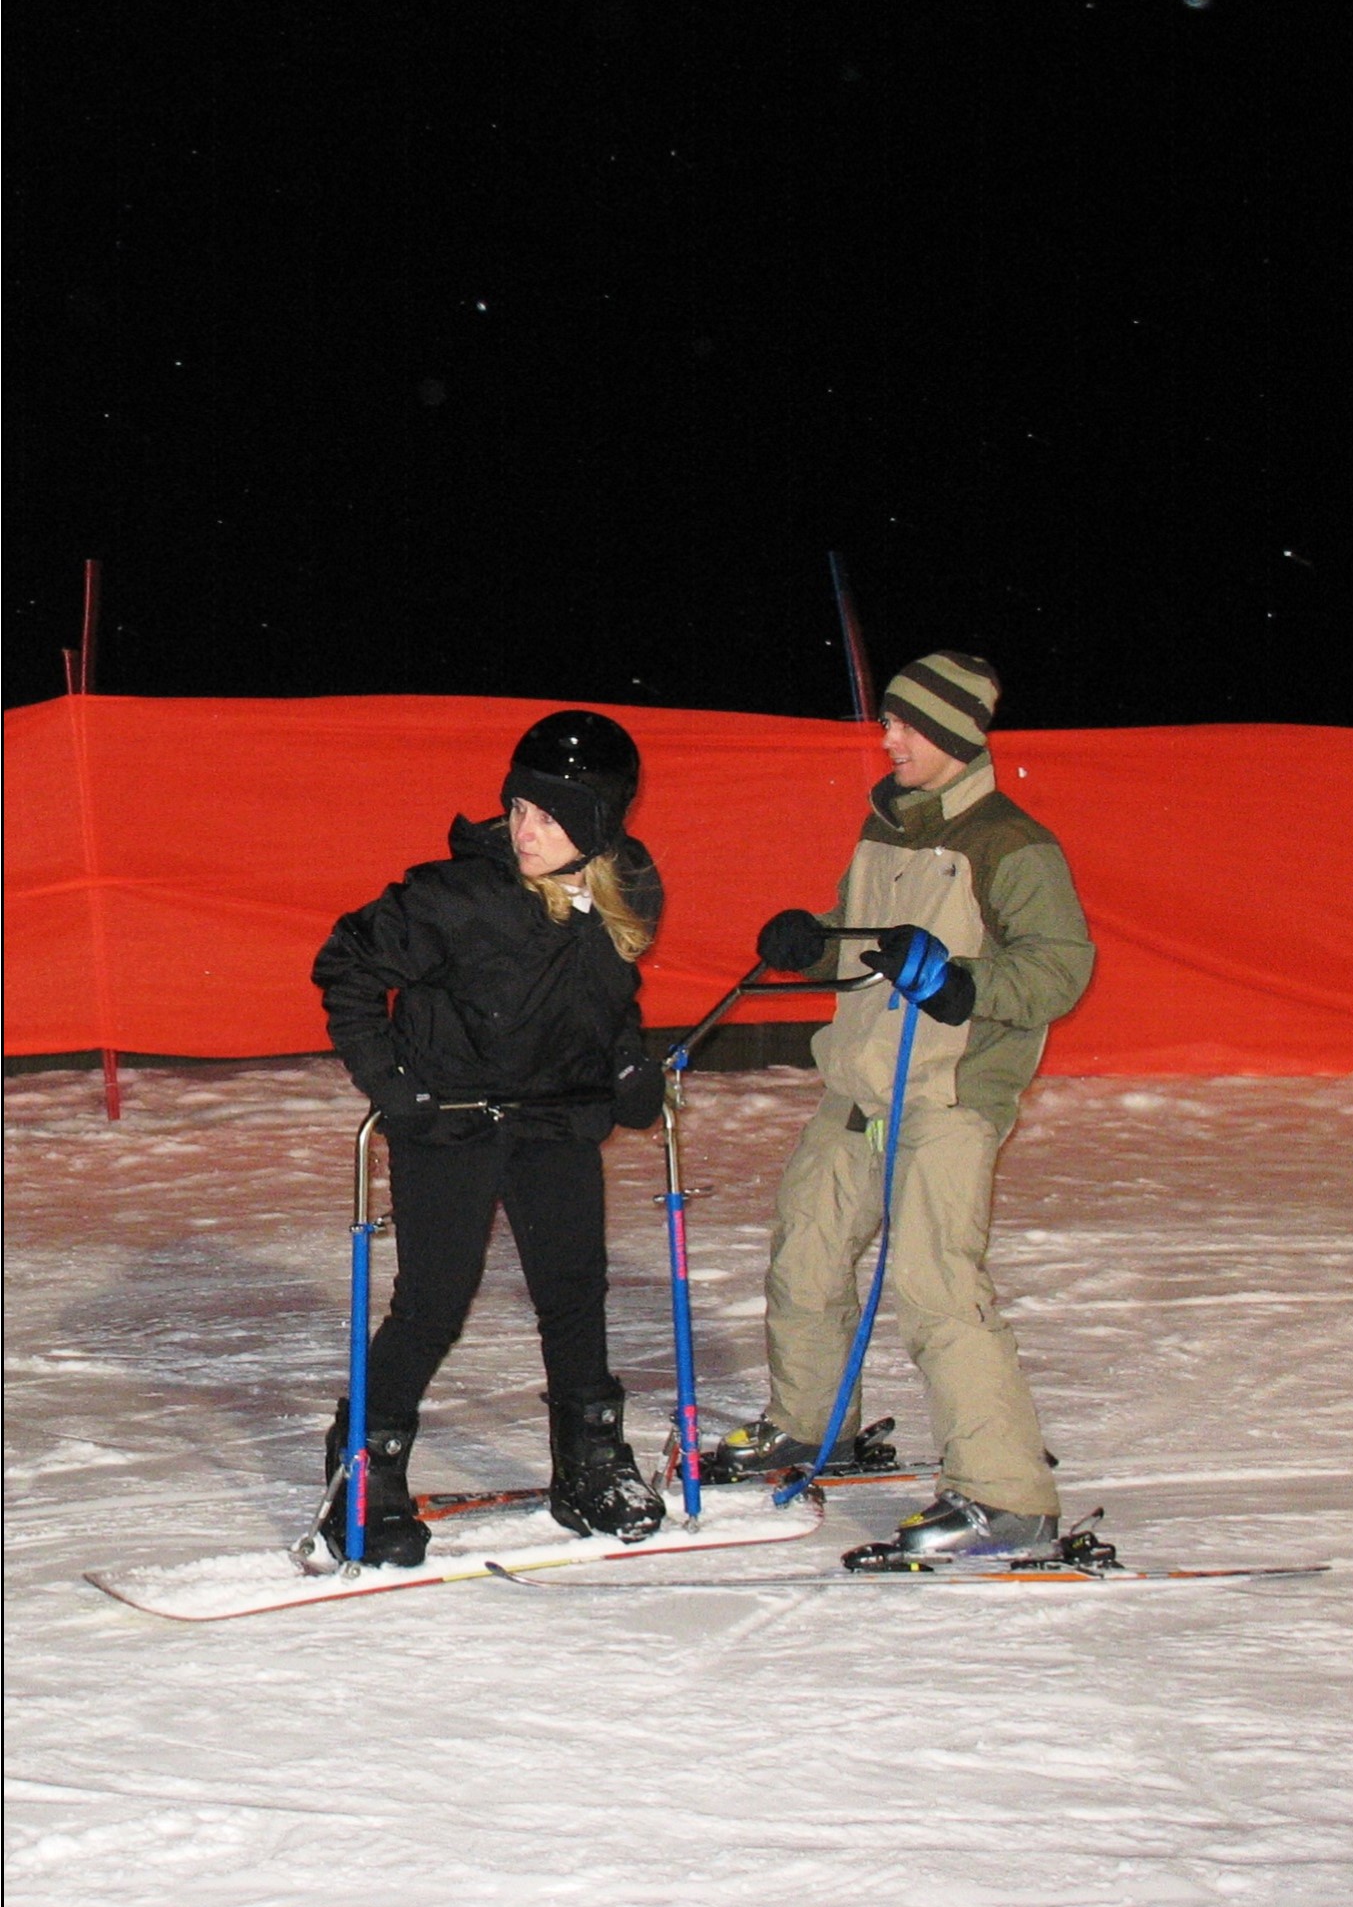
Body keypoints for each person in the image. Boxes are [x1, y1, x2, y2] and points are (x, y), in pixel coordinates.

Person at [714, 652, 1095, 1556]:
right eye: (886, 720)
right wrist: (809, 944)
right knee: (803, 1257)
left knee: (936, 1289)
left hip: (947, 1098)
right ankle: (811, 1426)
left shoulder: (1011, 843)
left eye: (906, 725)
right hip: (857, 1086)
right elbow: (863, 951)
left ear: (958, 735)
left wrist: (961, 983)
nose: (886, 738)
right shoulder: (883, 828)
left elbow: (1060, 966)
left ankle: (1004, 1496)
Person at [311, 711, 669, 1566]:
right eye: (517, 809)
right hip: (454, 1120)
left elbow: (605, 1000)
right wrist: (391, 1081)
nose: (524, 831)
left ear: (596, 824)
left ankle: (587, 1463)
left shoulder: (619, 895)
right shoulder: (456, 896)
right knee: (434, 1301)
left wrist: (627, 1063)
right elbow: (347, 962)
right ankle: (365, 1466)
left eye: (548, 817)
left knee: (574, 1290)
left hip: (552, 1119)